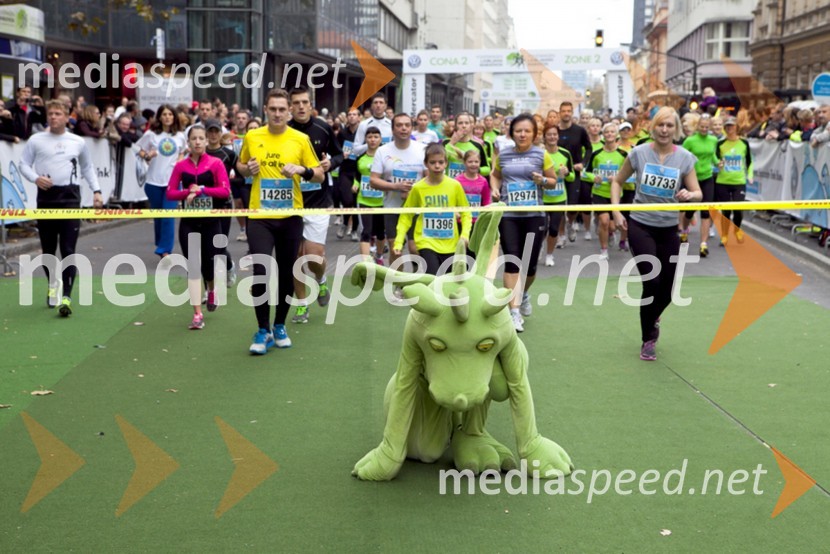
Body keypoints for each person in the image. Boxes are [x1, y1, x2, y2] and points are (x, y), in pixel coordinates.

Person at [610, 107, 702, 361]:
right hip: (640, 225)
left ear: (676, 129)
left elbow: (698, 192)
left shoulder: (684, 158)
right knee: (651, 282)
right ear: (653, 127)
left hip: (669, 228)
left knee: (668, 290)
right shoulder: (639, 153)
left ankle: (653, 314)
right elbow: (617, 182)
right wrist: (617, 213)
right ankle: (648, 338)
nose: (664, 130)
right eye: (660, 125)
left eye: (669, 126)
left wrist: (689, 195)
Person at [236, 88, 323, 354]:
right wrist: (246, 170)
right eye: (272, 109)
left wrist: (302, 170)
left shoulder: (300, 139)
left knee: (287, 274)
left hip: (290, 217)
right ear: (265, 110)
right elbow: (239, 167)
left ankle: (279, 325)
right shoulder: (252, 136)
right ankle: (263, 330)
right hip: (260, 217)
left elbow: (319, 174)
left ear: (289, 112)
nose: (277, 113)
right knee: (261, 272)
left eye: (281, 109)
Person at [19, 99, 104, 316]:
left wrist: (96, 191)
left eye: (58, 113)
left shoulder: (77, 141)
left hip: (70, 197)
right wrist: (36, 178)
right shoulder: (37, 140)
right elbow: (23, 164)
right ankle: (52, 285)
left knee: (68, 250)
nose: (54, 117)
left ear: (67, 117)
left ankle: (66, 296)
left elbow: (87, 167)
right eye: (51, 114)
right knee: (48, 249)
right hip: (46, 198)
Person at [490, 114, 557, 332]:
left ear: (534, 133)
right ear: (512, 132)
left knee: (529, 267)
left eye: (527, 130)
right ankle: (514, 312)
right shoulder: (504, 154)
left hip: (534, 215)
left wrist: (542, 181)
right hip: (509, 215)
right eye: (518, 130)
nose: (522, 134)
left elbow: (553, 182)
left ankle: (524, 293)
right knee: (511, 261)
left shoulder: (541, 154)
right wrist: (495, 188)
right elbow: (495, 175)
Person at [286, 86, 343, 324]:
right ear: (291, 106)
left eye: (304, 102)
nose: (300, 106)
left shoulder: (323, 128)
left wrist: (332, 164)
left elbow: (339, 155)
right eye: (296, 103)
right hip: (289, 202)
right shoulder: (284, 131)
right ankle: (301, 304)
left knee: (313, 257)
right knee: (294, 257)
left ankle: (320, 281)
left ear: (311, 105)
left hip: (318, 201)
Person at [166, 125, 231, 330]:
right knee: (193, 266)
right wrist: (188, 193)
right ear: (188, 142)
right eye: (193, 138)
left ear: (206, 141)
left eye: (201, 138)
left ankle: (211, 289)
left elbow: (224, 191)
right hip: (189, 222)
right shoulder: (180, 166)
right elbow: (170, 193)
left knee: (210, 263)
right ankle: (197, 314)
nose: (197, 142)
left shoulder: (216, 163)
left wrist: (202, 190)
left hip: (211, 221)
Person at [393, 143, 471, 275]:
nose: (437, 166)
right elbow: (406, 215)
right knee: (433, 276)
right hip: (426, 241)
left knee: (447, 282)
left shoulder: (455, 186)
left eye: (441, 162)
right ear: (426, 163)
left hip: (450, 243)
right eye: (432, 162)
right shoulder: (418, 188)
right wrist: (399, 241)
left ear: (446, 163)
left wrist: (464, 234)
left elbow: (466, 212)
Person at [369, 113, 426, 275]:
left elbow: (430, 179)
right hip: (392, 208)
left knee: (415, 249)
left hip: (416, 208)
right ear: (393, 129)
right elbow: (373, 180)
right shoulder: (382, 151)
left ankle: (415, 277)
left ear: (412, 128)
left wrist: (414, 190)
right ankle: (399, 284)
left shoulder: (422, 149)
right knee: (396, 250)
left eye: (407, 125)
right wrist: (396, 186)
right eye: (399, 125)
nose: (403, 128)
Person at [136, 104, 187, 260]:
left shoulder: (179, 135)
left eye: (170, 114)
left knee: (168, 216)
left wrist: (179, 162)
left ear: (174, 117)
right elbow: (138, 148)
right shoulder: (151, 134)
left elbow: (182, 151)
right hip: (153, 182)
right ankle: (161, 243)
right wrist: (147, 155)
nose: (167, 117)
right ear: (159, 117)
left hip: (172, 182)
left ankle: (165, 250)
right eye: (164, 114)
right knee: (158, 216)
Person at [583, 122, 627, 260]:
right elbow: (585, 173)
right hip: (599, 193)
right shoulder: (596, 154)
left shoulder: (623, 154)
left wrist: (617, 178)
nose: (609, 134)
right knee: (604, 221)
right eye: (607, 132)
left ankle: (611, 233)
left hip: (616, 195)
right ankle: (603, 250)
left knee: (613, 227)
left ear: (616, 135)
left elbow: (631, 176)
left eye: (612, 132)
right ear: (603, 134)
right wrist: (594, 178)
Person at [204, 119, 238, 287]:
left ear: (220, 133)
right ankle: (210, 284)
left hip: (223, 203)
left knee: (219, 244)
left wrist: (229, 184)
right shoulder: (199, 153)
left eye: (216, 131)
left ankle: (229, 266)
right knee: (205, 245)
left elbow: (240, 174)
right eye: (210, 131)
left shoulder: (228, 154)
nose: (213, 134)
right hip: (203, 204)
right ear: (205, 133)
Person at [681, 114, 718, 257]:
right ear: (697, 126)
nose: (704, 129)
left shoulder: (713, 139)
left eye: (707, 127)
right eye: (702, 127)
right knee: (690, 210)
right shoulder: (690, 140)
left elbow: (712, 155)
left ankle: (703, 244)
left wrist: (718, 162)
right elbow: (682, 156)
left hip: (707, 177)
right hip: (692, 179)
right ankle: (684, 230)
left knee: (706, 211)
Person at [557, 101, 593, 243]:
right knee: (558, 206)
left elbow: (589, 148)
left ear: (572, 113)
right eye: (563, 110)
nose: (566, 113)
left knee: (572, 205)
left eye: (569, 111)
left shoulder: (579, 131)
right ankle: (561, 235)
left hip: (574, 173)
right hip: (558, 173)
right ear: (560, 112)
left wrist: (583, 163)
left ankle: (570, 223)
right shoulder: (555, 131)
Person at [539, 124, 574, 266]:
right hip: (542, 197)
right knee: (542, 228)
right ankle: (539, 247)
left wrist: (566, 173)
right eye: (549, 134)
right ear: (544, 137)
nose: (552, 137)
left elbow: (572, 177)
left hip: (559, 197)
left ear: (558, 136)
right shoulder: (539, 154)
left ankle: (549, 255)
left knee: (554, 229)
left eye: (555, 134)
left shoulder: (565, 154)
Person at [715, 117, 751, 246]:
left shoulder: (744, 143)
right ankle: (724, 235)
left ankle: (737, 229)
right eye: (727, 126)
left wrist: (750, 175)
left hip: (739, 181)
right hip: (723, 181)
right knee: (726, 210)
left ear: (737, 127)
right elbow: (715, 160)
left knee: (738, 209)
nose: (729, 128)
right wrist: (717, 164)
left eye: (732, 126)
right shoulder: (720, 144)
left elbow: (749, 162)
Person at [352, 126, 385, 261]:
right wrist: (355, 184)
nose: (372, 140)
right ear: (365, 139)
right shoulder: (360, 158)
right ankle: (366, 263)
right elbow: (357, 176)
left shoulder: (384, 157)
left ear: (380, 139)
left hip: (381, 201)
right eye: (370, 137)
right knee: (366, 231)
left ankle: (379, 256)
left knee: (381, 233)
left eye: (376, 137)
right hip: (364, 200)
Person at [336, 107, 362, 240]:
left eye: (354, 115)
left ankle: (354, 230)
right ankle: (345, 223)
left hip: (358, 171)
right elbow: (336, 149)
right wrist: (342, 154)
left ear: (359, 117)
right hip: (345, 171)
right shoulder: (342, 133)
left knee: (356, 201)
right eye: (349, 114)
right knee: (347, 200)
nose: (351, 117)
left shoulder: (362, 133)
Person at [455, 148, 491, 238]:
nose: (473, 164)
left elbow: (486, 201)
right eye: (470, 162)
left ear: (480, 163)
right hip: (461, 221)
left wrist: (486, 217)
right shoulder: (457, 181)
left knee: (474, 250)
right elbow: (453, 200)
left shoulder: (483, 181)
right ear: (464, 163)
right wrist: (455, 212)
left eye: (476, 162)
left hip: (477, 221)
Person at [444, 112, 490, 179]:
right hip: (451, 185)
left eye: (466, 123)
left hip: (469, 186)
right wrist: (451, 143)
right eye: (460, 123)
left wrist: (475, 169)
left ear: (470, 126)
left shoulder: (477, 145)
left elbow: (487, 169)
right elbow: (440, 162)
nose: (464, 126)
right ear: (456, 126)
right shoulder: (446, 143)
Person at [352, 93, 392, 157]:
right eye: (375, 102)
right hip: (369, 163)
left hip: (387, 162)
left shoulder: (391, 124)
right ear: (371, 106)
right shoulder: (364, 124)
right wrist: (371, 144)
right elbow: (355, 149)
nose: (378, 105)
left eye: (381, 102)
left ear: (385, 106)